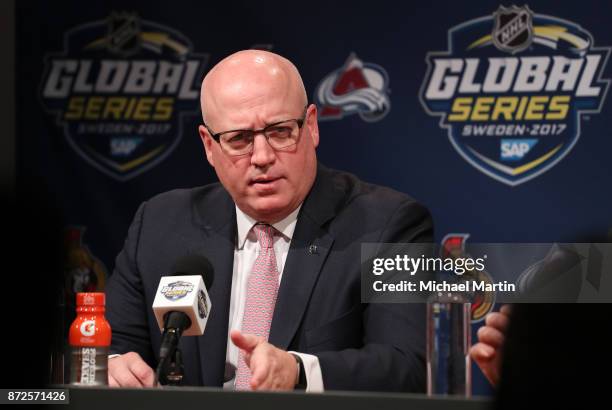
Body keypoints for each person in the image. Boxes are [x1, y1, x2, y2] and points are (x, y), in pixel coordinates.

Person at [105, 50, 433, 392]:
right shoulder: (160, 223)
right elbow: (114, 346)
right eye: (239, 139)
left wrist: (299, 372)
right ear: (208, 145)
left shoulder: (389, 225)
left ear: (311, 126)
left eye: (280, 131)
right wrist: (114, 365)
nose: (262, 157)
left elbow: (408, 365)